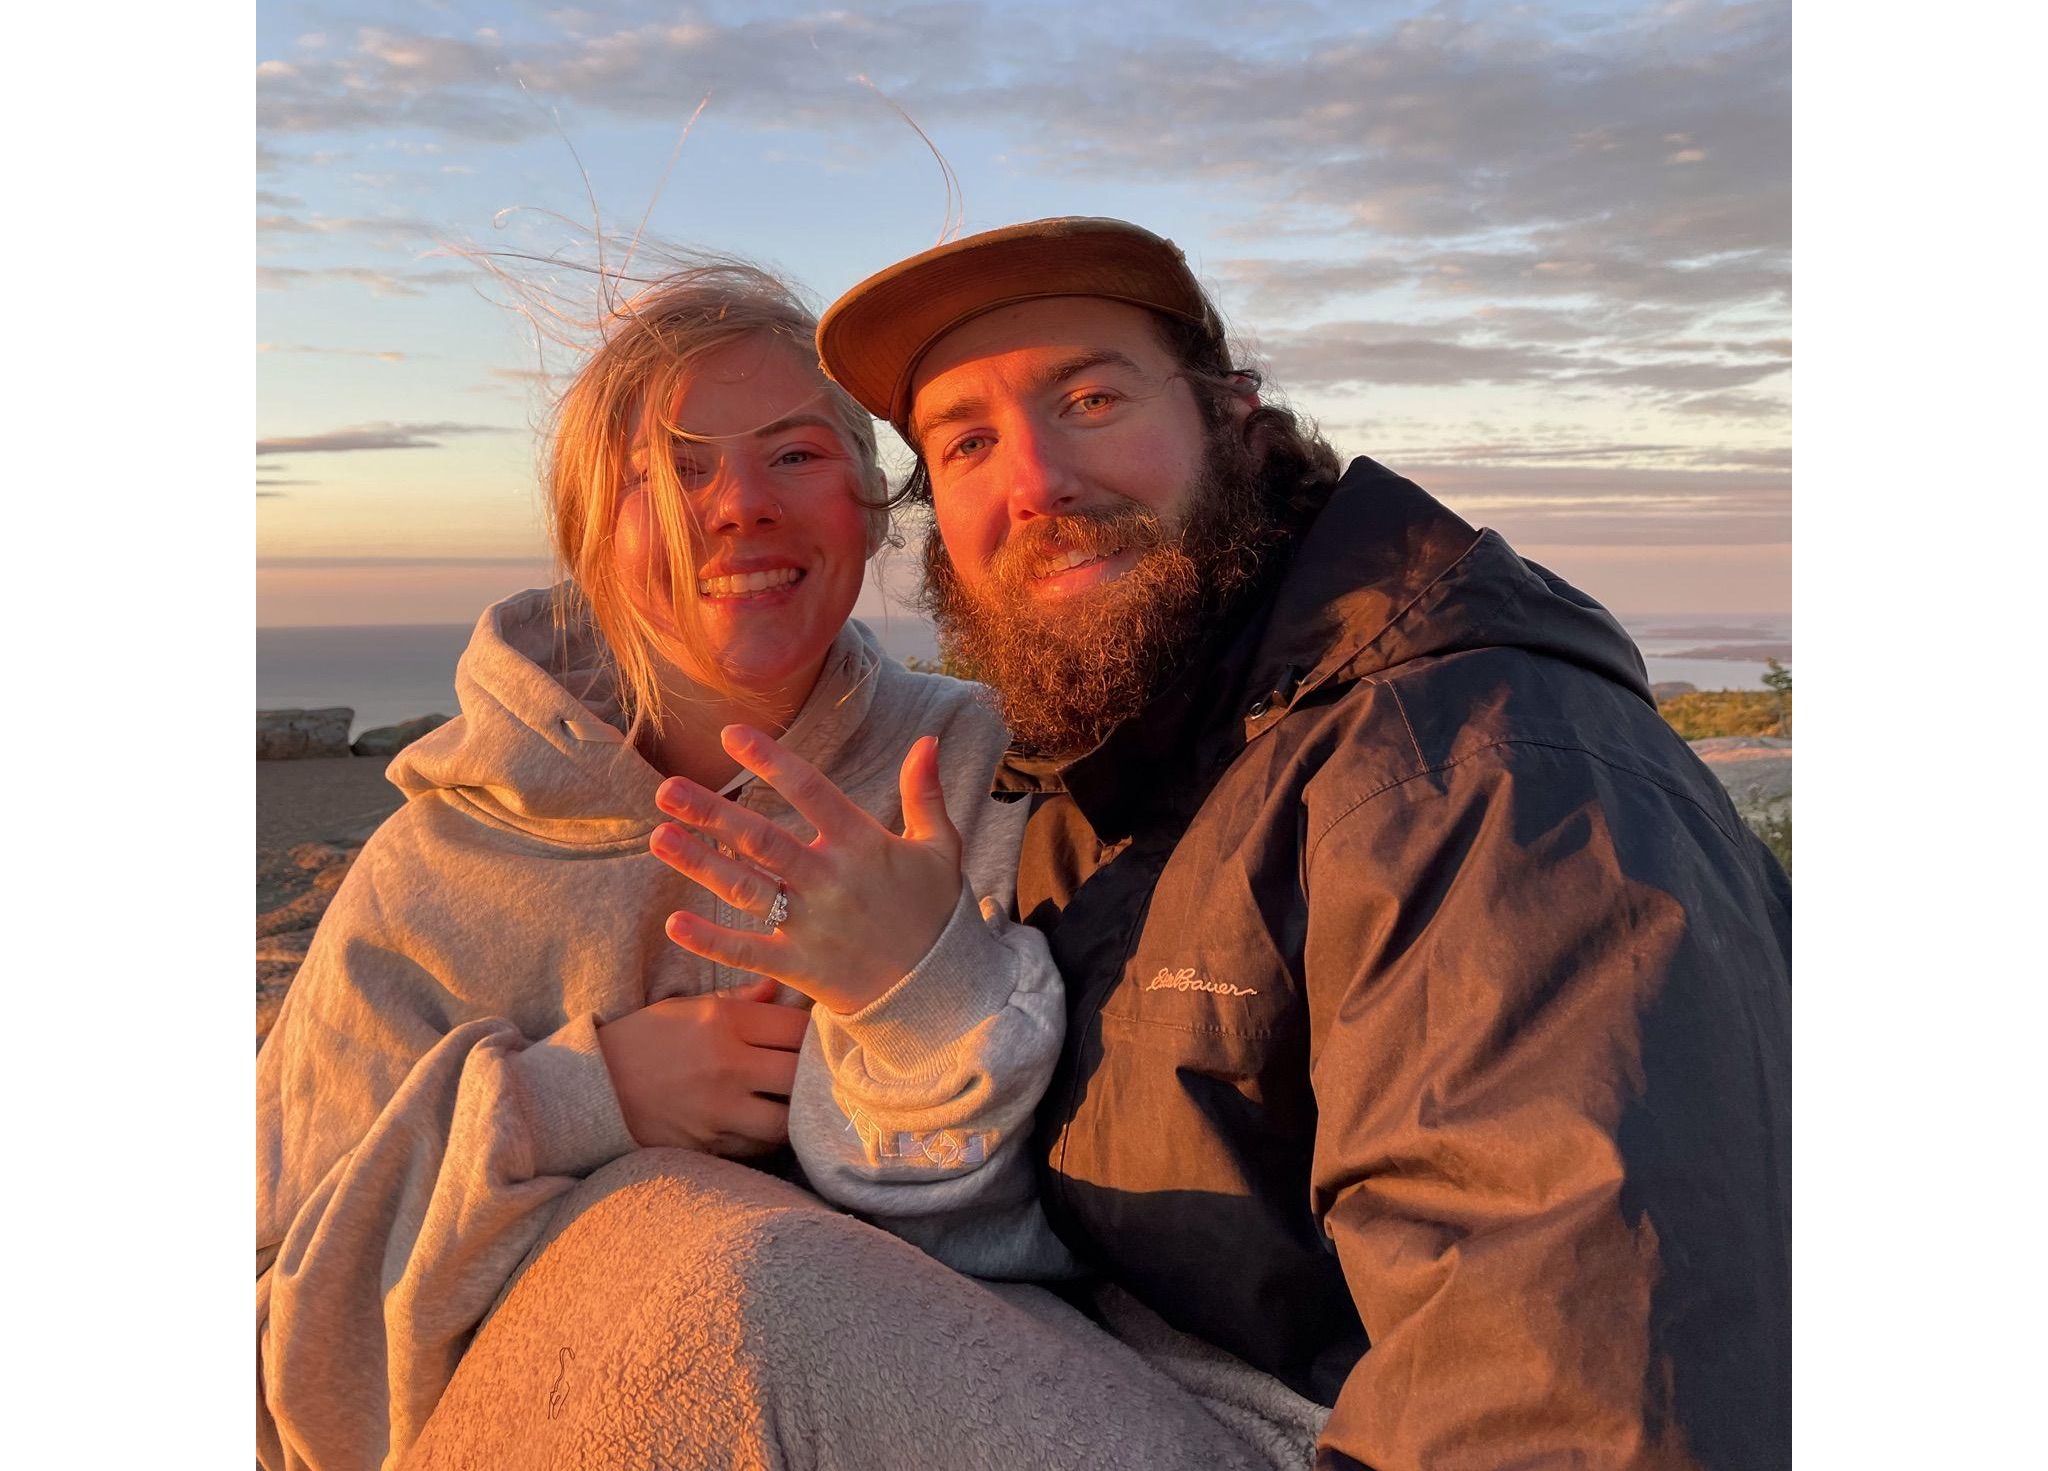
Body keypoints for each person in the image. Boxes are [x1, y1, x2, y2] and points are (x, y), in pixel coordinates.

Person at [630, 216, 1791, 1470]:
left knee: (733, 1305)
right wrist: (905, 1004)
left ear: (1233, 418)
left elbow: (1577, 1407)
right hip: (1154, 1395)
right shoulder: (1103, 777)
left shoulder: (1476, 785)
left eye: (1087, 396)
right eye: (967, 440)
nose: (1036, 482)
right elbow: (1054, 1238)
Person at [256, 260, 1063, 1471]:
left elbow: (1124, 1231)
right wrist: (582, 1099)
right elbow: (282, 1344)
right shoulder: (435, 866)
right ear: (589, 534)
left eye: (793, 452)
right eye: (672, 467)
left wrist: (924, 991)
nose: (738, 503)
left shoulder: (996, 771)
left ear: (870, 503)